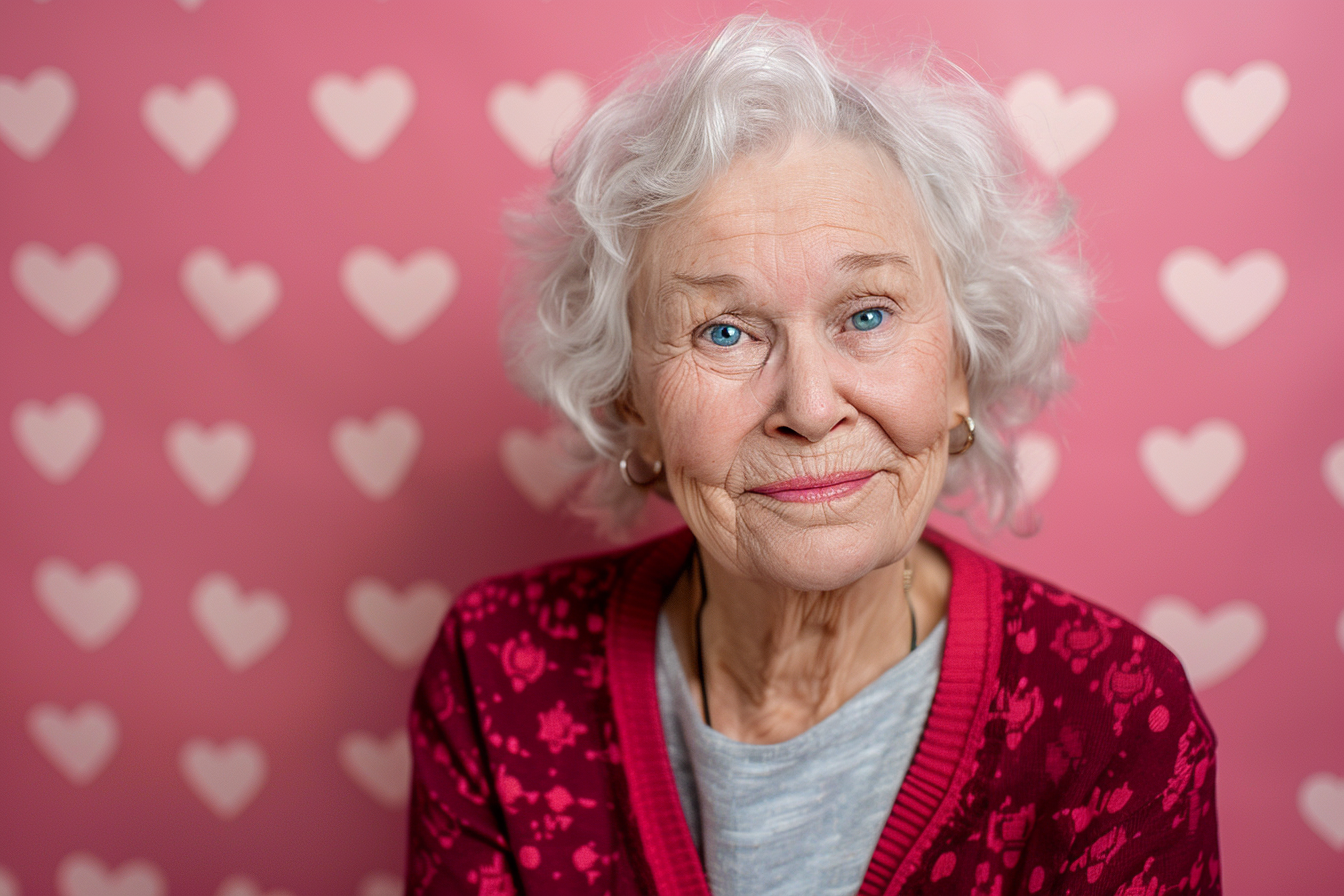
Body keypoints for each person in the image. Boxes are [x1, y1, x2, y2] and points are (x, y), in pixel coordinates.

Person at [406, 15, 1220, 896]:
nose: (810, 406)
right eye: (725, 331)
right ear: (628, 403)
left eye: (866, 314)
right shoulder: (497, 673)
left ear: (960, 368)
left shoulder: (1116, 715)